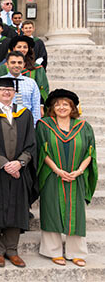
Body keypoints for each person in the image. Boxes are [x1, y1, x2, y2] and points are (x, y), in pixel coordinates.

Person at [0, 77, 37, 268]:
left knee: (17, 208)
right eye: (2, 89)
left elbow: (31, 142)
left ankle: (12, 250)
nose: (5, 93)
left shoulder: (25, 114)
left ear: (14, 93)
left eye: (9, 90)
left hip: (19, 170)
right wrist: (4, 163)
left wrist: (20, 163)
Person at [36, 89, 98, 267]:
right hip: (52, 176)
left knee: (76, 213)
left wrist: (79, 171)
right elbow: (42, 151)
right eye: (57, 104)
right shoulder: (44, 125)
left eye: (66, 104)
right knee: (51, 211)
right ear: (52, 108)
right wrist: (57, 170)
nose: (61, 107)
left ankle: (76, 252)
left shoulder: (84, 126)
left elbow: (90, 152)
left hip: (76, 177)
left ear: (73, 108)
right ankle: (53, 251)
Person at [0, 51, 41, 124]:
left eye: (19, 63)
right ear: (7, 64)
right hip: (3, 122)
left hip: (26, 122)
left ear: (24, 64)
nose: (16, 65)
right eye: (13, 62)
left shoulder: (31, 83)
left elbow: (36, 107)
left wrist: (34, 125)